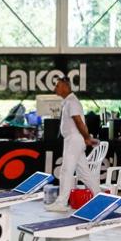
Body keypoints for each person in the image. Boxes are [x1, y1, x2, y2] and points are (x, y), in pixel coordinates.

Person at [47, 76, 100, 212]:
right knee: (84, 173)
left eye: (57, 86)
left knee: (66, 171)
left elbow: (79, 122)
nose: (55, 89)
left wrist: (87, 138)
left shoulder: (72, 102)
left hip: (74, 139)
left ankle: (62, 202)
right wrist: (86, 138)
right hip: (74, 139)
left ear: (65, 86)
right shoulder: (68, 102)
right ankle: (101, 198)